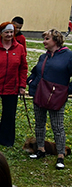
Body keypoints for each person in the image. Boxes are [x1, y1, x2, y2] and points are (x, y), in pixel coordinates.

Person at [27, 28, 72, 169]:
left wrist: (66, 91)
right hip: (40, 94)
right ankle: (40, 149)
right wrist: (31, 82)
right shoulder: (44, 57)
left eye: (47, 39)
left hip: (57, 96)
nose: (44, 41)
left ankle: (60, 155)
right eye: (44, 38)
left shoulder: (68, 56)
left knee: (57, 126)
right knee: (39, 124)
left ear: (56, 40)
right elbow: (35, 72)